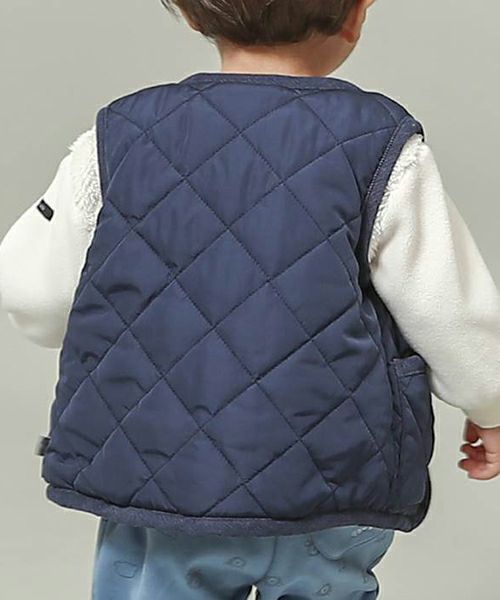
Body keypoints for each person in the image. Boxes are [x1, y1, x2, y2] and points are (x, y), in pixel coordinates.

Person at [1, 1, 500, 598]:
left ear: (191, 15)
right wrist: (491, 402)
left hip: (163, 480)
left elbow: (33, 291)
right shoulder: (381, 142)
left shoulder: (121, 132)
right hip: (331, 483)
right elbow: (448, 306)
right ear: (355, 14)